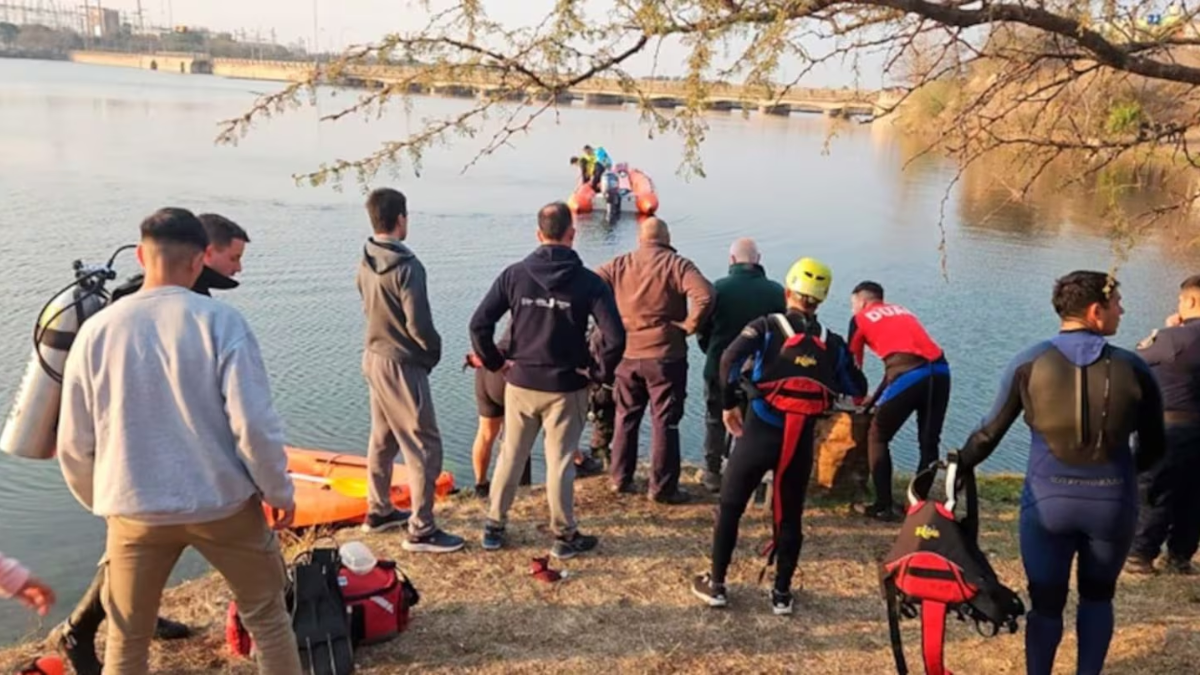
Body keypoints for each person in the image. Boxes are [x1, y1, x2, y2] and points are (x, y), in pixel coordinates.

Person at [56, 208, 302, 675]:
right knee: (269, 622)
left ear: (140, 255)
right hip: (224, 506)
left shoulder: (97, 331)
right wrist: (278, 491)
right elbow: (254, 427)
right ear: (200, 259)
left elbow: (73, 441)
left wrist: (105, 502)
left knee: (127, 639)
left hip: (134, 511)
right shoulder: (222, 322)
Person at [956, 270, 1165, 675]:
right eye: (1118, 303)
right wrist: (1122, 475)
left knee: (1046, 605)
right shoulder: (1134, 367)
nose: (1122, 311)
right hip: (1112, 503)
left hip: (1047, 504)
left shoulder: (1029, 361)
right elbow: (1155, 447)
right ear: (1095, 310)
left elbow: (986, 434)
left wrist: (957, 467)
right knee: (1098, 598)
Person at [691, 257, 866, 615]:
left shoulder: (766, 327)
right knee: (789, 515)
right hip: (799, 441)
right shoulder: (831, 342)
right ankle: (782, 594)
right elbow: (856, 387)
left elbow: (727, 360)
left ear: (788, 292)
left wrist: (729, 404)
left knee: (731, 505)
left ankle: (717, 585)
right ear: (821, 299)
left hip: (759, 432)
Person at [470, 202, 625, 559]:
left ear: (538, 235)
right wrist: (598, 373)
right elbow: (615, 337)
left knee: (511, 454)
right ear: (572, 234)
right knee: (560, 462)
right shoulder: (590, 283)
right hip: (566, 386)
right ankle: (563, 536)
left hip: (520, 383)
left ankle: (494, 527)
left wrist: (496, 363)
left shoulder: (515, 275)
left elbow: (479, 324)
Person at [357, 188, 464, 553]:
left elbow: (366, 303)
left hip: (373, 355)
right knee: (424, 446)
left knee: (383, 438)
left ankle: (379, 510)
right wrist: (433, 352)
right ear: (401, 219)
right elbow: (419, 324)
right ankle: (422, 529)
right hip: (402, 363)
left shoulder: (365, 258)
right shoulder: (408, 266)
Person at [598, 217, 714, 503]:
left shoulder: (619, 264)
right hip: (665, 357)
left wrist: (607, 323)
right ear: (667, 238)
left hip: (627, 354)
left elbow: (591, 285)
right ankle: (662, 488)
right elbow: (705, 295)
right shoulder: (677, 265)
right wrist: (690, 325)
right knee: (664, 421)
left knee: (625, 416)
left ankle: (619, 478)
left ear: (640, 238)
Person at [847, 281, 950, 521]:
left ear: (862, 302)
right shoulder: (902, 310)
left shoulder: (860, 319)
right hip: (940, 371)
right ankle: (918, 504)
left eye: (853, 304)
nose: (852, 309)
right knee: (929, 441)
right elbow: (898, 363)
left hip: (909, 374)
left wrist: (858, 399)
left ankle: (883, 506)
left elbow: (853, 363)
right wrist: (875, 399)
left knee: (878, 436)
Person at [696, 238, 786, 492]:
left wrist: (712, 352)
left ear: (732, 260)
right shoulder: (776, 292)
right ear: (758, 260)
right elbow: (783, 333)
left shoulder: (717, 289)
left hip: (718, 366)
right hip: (758, 371)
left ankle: (712, 471)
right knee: (751, 423)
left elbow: (702, 329)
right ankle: (744, 474)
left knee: (715, 418)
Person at [1127, 274, 1200, 575]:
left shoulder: (1172, 339)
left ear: (1190, 300)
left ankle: (1140, 554)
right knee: (1194, 495)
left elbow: (1135, 359)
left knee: (1154, 490)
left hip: (1168, 427)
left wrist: (1169, 331)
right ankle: (1180, 556)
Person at [110, 213, 250, 301]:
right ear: (207, 253)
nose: (239, 268)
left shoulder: (124, 296)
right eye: (234, 258)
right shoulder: (201, 306)